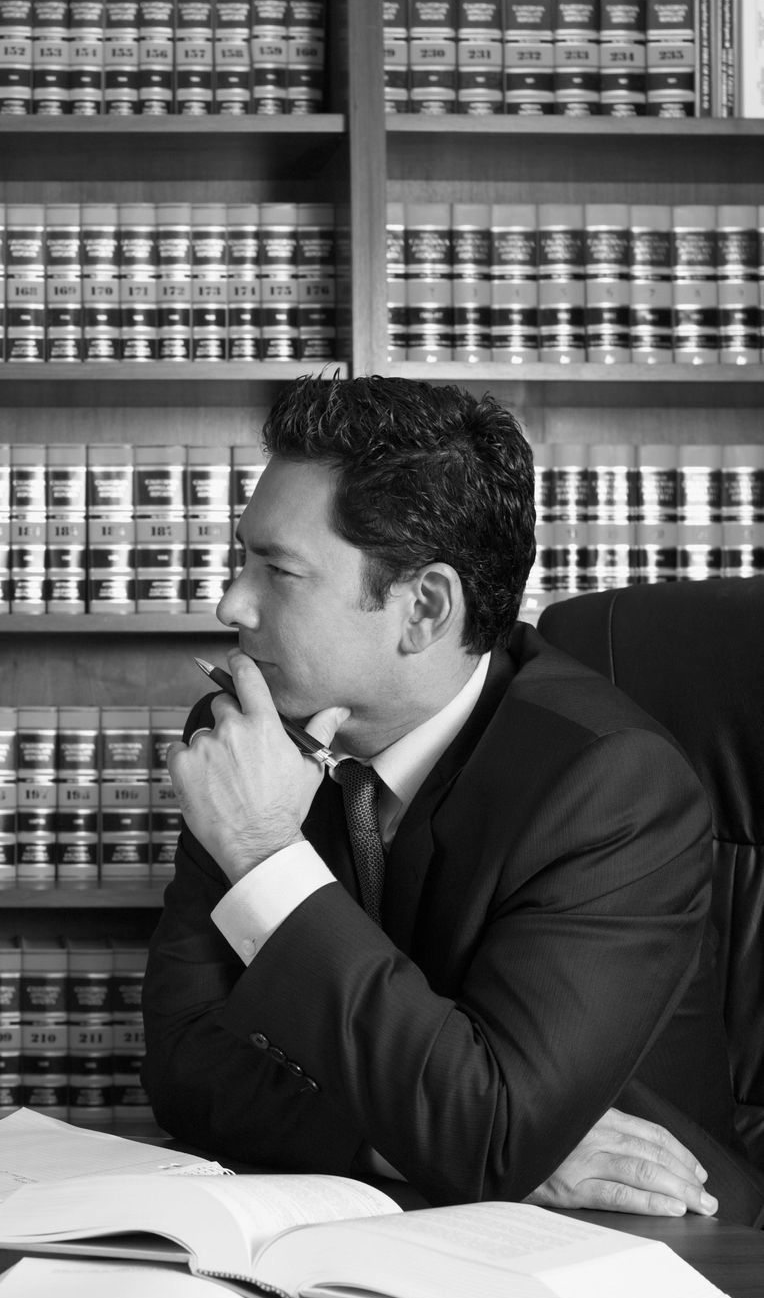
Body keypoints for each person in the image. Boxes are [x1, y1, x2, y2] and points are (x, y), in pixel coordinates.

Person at [145, 374, 764, 1225]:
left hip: (634, 1232)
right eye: (240, 556)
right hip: (378, 1215)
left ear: (424, 609)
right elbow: (183, 1065)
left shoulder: (614, 786)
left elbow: (494, 1135)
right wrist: (428, 1142)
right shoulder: (250, 736)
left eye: (277, 571)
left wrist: (264, 856)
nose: (229, 602)